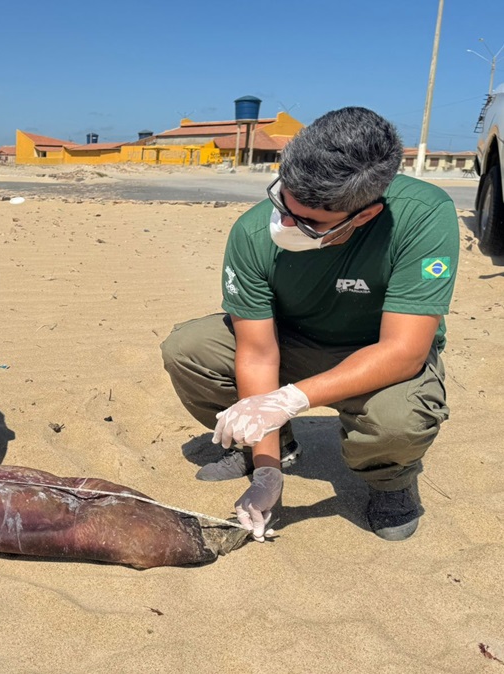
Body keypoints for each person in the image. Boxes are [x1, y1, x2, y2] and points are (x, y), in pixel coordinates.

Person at [160, 107, 458, 542]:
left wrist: (289, 399)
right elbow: (258, 352)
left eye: (309, 222)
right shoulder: (252, 233)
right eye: (282, 201)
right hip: (290, 341)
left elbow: (404, 351)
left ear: (364, 216)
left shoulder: (423, 217)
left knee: (399, 420)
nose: (283, 224)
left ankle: (391, 481)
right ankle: (277, 448)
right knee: (188, 349)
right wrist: (267, 472)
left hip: (378, 353)